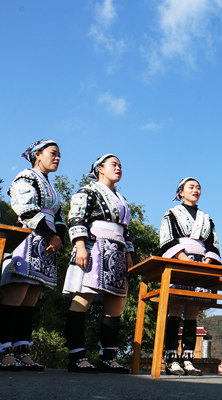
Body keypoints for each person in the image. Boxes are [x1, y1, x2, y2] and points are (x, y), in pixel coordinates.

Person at [62, 154, 134, 373]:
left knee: (115, 305)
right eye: (114, 164)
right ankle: (76, 356)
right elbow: (77, 218)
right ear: (100, 169)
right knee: (83, 299)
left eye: (121, 165)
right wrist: (81, 246)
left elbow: (125, 230)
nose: (119, 168)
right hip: (94, 247)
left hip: (118, 252)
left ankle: (108, 357)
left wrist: (129, 255)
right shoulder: (87, 191)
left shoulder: (122, 200)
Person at [0, 140, 65, 371]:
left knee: (30, 300)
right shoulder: (25, 177)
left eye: (59, 155)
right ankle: (3, 349)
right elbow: (25, 208)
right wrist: (50, 235)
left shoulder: (52, 187)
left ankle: (22, 349)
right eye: (53, 153)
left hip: (47, 244)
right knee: (16, 296)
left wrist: (59, 238)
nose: (57, 158)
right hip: (27, 239)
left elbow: (59, 216)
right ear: (37, 154)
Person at [159, 177, 221, 376]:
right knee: (176, 307)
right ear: (181, 192)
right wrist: (184, 258)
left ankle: (188, 358)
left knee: (193, 310)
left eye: (198, 187)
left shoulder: (207, 218)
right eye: (191, 187)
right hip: (180, 261)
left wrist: (207, 262)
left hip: (201, 264)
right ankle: (170, 358)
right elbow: (167, 238)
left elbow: (213, 244)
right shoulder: (171, 214)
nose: (196, 190)